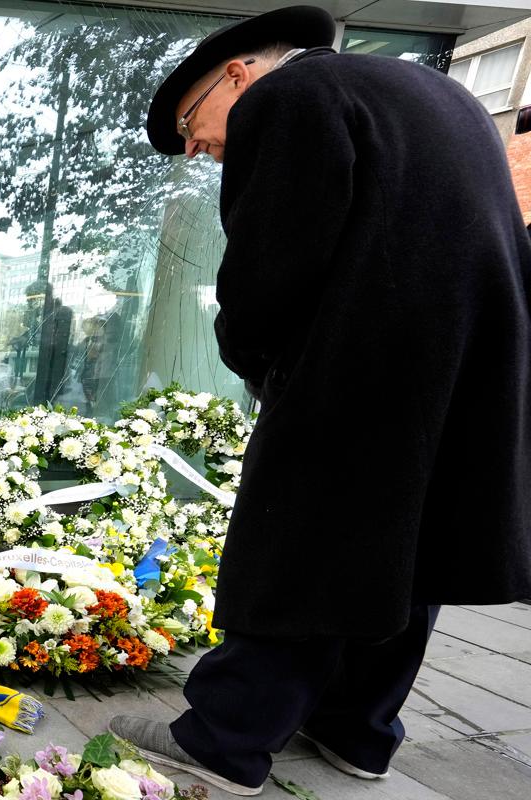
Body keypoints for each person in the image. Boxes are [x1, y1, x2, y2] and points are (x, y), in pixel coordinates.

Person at [111, 5, 531, 796]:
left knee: (303, 541)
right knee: (412, 552)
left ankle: (223, 738)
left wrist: (253, 357)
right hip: (476, 364)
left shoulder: (292, 97)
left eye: (191, 127)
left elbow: (272, 265)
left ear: (237, 74)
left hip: (367, 363)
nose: (199, 150)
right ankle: (356, 730)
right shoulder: (433, 93)